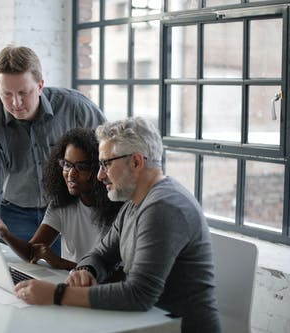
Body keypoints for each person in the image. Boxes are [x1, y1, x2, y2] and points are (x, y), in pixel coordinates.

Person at [14, 117, 221, 333]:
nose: (100, 175)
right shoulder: (135, 203)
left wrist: (56, 294)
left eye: (106, 164)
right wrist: (86, 270)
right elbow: (101, 254)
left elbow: (138, 295)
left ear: (136, 162)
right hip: (145, 323)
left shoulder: (163, 207)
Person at [0, 45, 106, 253]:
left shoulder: (76, 108)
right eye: (6, 94)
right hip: (14, 213)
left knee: (63, 276)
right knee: (14, 277)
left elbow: (108, 154)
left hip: (66, 209)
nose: (15, 103)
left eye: (23, 93)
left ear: (40, 85)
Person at [0, 128, 122, 270]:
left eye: (81, 167)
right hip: (68, 283)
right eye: (67, 165)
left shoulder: (118, 209)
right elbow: (32, 252)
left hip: (101, 291)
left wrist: (59, 263)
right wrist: (5, 233)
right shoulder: (62, 204)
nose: (71, 174)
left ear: (99, 168)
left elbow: (116, 275)